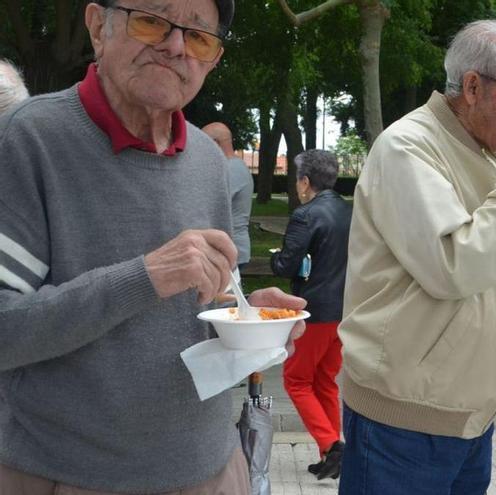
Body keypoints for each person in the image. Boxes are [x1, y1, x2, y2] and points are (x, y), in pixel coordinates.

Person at [0, 1, 306, 493]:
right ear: (99, 26)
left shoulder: (207, 161)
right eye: (152, 20)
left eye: (198, 36)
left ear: (212, 60)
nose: (175, 45)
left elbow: (193, 303)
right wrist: (143, 277)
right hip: (69, 475)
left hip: (211, 466)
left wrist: (245, 317)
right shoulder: (31, 139)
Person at [337, 19, 496, 494]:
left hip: (465, 418)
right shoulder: (408, 148)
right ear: (471, 86)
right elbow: (454, 264)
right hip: (404, 423)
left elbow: (482, 270)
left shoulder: (481, 150)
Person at [270, 149, 352, 480]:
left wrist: (277, 258)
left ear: (305, 181)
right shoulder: (350, 212)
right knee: (324, 381)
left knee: (296, 379)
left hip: (313, 312)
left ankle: (331, 445)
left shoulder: (305, 215)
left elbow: (287, 265)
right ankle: (332, 453)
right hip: (344, 311)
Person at [203, 121, 254, 271]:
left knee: (225, 295)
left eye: (203, 142)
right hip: (228, 250)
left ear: (215, 143)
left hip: (231, 251)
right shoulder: (231, 167)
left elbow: (206, 203)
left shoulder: (232, 169)